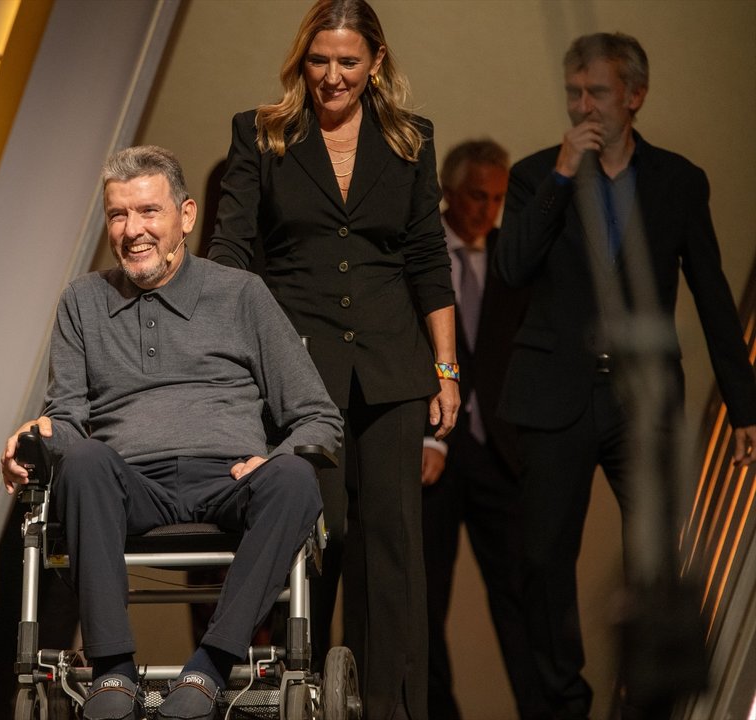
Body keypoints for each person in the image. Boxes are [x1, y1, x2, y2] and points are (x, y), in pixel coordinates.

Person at [0, 145, 343, 720]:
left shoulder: (241, 295)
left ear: (185, 215)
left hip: (231, 478)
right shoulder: (82, 302)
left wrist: (273, 457)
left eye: (149, 213)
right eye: (118, 215)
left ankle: (207, 670)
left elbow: (319, 417)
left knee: (295, 478)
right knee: (81, 461)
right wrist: (33, 438)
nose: (133, 231)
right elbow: (68, 419)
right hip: (130, 483)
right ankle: (112, 672)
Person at [207, 2, 459, 717]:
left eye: (349, 62)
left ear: (376, 62)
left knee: (393, 544)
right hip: (297, 367)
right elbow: (230, 250)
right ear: (302, 60)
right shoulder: (263, 134)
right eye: (320, 60)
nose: (333, 76)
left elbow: (427, 259)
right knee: (324, 532)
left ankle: (389, 706)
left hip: (392, 366)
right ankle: (304, 695)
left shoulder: (411, 139)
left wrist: (447, 370)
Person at [495, 32, 756, 719]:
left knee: (656, 562)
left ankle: (645, 705)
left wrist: (745, 407)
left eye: (598, 93)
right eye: (574, 93)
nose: (584, 106)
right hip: (555, 396)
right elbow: (511, 268)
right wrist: (559, 176)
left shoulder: (677, 181)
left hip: (642, 399)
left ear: (634, 97)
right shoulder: (532, 176)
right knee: (545, 563)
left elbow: (713, 294)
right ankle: (563, 705)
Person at [419, 139, 545, 720]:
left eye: (497, 199)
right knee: (424, 602)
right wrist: (428, 434)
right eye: (477, 196)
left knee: (522, 597)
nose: (487, 211)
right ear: (447, 189)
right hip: (433, 451)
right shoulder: (417, 254)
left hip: (501, 451)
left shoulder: (513, 256)